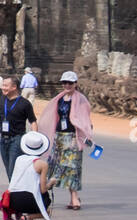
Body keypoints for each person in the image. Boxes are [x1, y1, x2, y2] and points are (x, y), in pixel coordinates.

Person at [37, 71, 95, 210]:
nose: (67, 85)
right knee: (58, 165)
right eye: (65, 83)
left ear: (75, 84)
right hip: (59, 136)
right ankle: (72, 198)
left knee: (72, 167)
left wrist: (85, 137)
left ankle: (65, 194)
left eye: (70, 83)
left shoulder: (81, 100)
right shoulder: (60, 99)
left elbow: (85, 120)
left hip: (73, 137)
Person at [3, 131, 56, 220]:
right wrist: (51, 182)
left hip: (13, 199)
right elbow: (43, 189)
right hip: (29, 199)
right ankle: (27, 218)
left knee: (30, 196)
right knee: (47, 210)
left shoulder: (19, 159)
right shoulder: (42, 164)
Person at [0, 75, 37, 179]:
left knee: (13, 170)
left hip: (17, 140)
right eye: (2, 85)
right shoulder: (1, 100)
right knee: (9, 169)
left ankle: (15, 192)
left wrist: (34, 137)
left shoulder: (25, 103)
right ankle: (15, 191)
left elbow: (33, 121)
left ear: (14, 87)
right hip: (3, 140)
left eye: (5, 85)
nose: (2, 88)